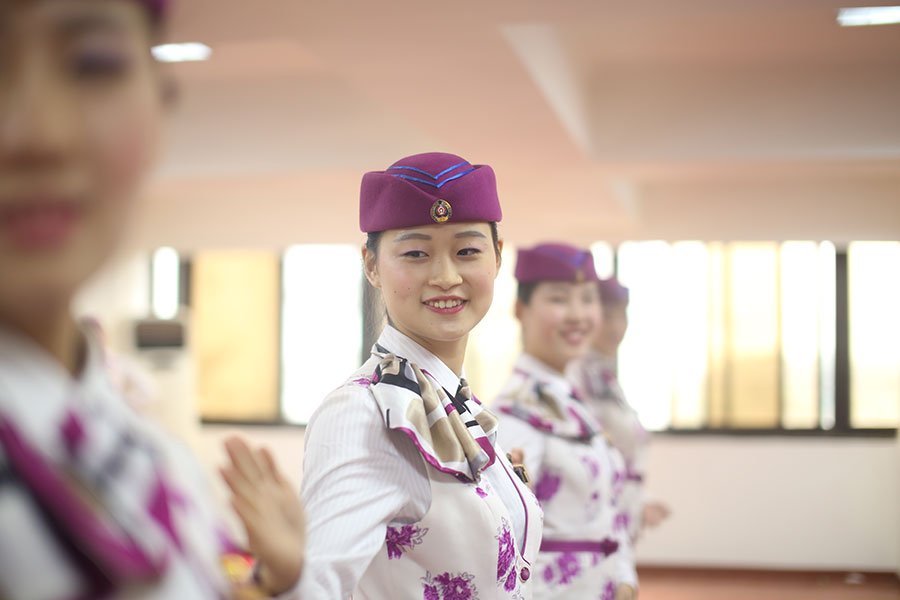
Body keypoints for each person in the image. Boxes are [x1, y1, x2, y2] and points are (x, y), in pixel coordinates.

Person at [0, 1, 304, 597]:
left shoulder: (149, 456)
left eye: (92, 64)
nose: (35, 133)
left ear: (162, 102)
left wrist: (283, 579)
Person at [294, 152, 542, 599]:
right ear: (371, 265)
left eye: (467, 251)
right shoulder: (365, 411)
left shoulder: (455, 401)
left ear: (498, 256)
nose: (446, 276)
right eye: (416, 253)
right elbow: (316, 584)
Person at [494, 244, 637, 600]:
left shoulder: (573, 402)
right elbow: (501, 543)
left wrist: (624, 578)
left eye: (588, 299)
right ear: (520, 309)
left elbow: (606, 512)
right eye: (559, 299)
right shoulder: (514, 416)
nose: (578, 315)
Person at [568, 278, 670, 545]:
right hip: (594, 518)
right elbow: (584, 456)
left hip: (621, 511)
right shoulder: (575, 372)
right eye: (607, 316)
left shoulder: (604, 374)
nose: (616, 326)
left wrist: (640, 499)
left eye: (622, 316)